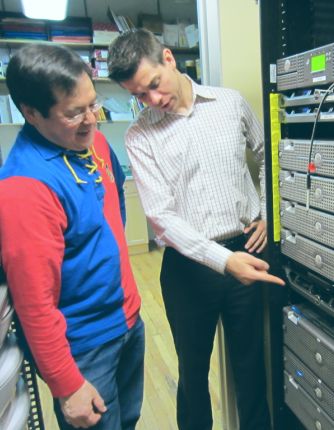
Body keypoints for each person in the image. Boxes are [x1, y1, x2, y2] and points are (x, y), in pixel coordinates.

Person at [108, 29, 285, 430]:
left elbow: (272, 154)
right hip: (189, 268)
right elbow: (162, 217)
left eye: (153, 84)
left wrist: (267, 215)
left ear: (168, 58)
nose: (153, 100)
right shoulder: (139, 136)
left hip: (248, 249)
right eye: (139, 95)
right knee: (192, 376)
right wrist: (224, 261)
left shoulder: (229, 102)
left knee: (251, 369)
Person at [0, 44, 144, 430]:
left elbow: (114, 208)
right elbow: (33, 303)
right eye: (74, 112)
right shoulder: (25, 186)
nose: (91, 120)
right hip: (84, 347)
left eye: (93, 105)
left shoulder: (93, 141)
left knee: (128, 421)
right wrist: (66, 384)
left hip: (127, 320)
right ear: (30, 112)